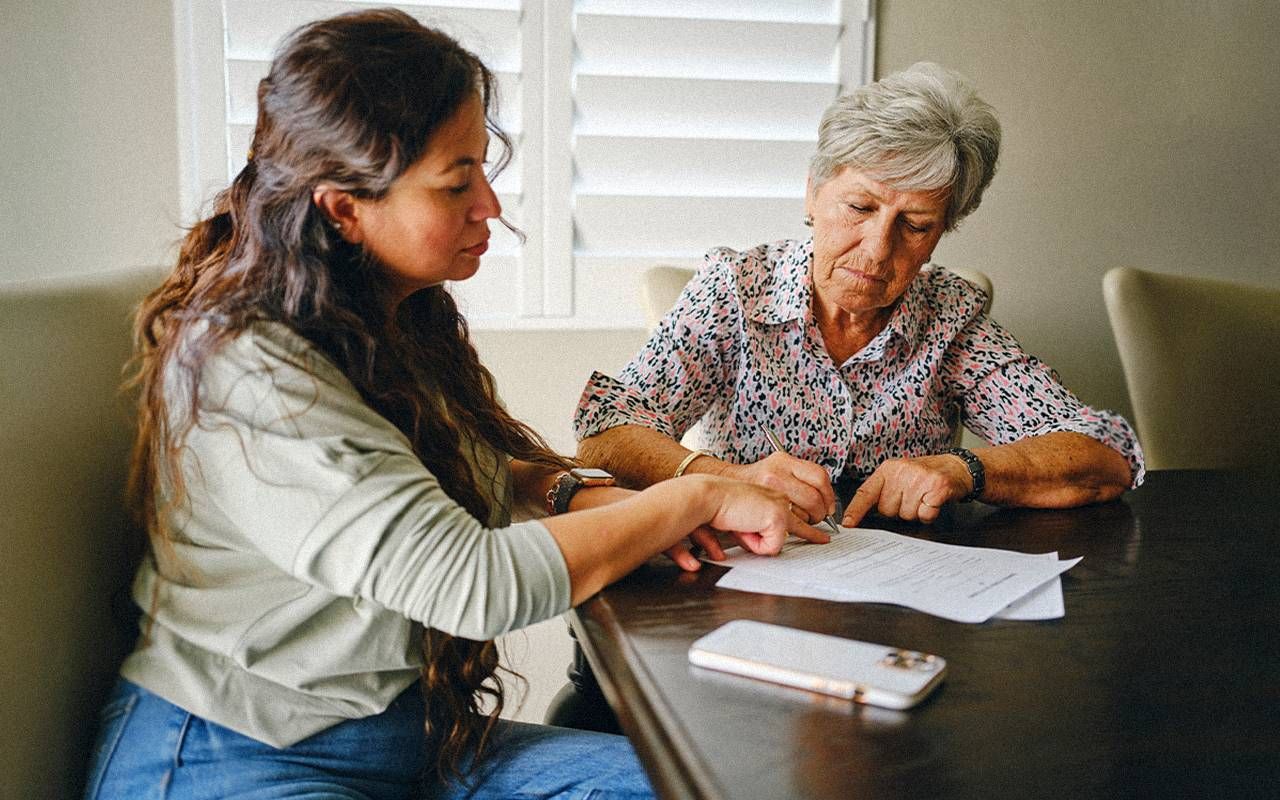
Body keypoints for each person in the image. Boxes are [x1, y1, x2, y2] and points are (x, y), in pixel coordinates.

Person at [82, 10, 827, 800]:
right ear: (344, 208)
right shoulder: (248, 366)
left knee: (728, 784)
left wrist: (560, 486)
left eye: (481, 166)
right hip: (238, 755)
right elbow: (470, 583)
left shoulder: (378, 315)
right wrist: (696, 492)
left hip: (413, 745)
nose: (491, 205)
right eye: (454, 182)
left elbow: (418, 470)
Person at [574, 62, 1144, 542]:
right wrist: (726, 479)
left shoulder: (951, 316)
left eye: (915, 225)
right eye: (859, 208)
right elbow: (605, 432)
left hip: (901, 600)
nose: (876, 250)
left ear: (944, 231)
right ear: (814, 193)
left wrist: (965, 468)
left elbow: (1105, 455)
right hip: (751, 579)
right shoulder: (736, 289)